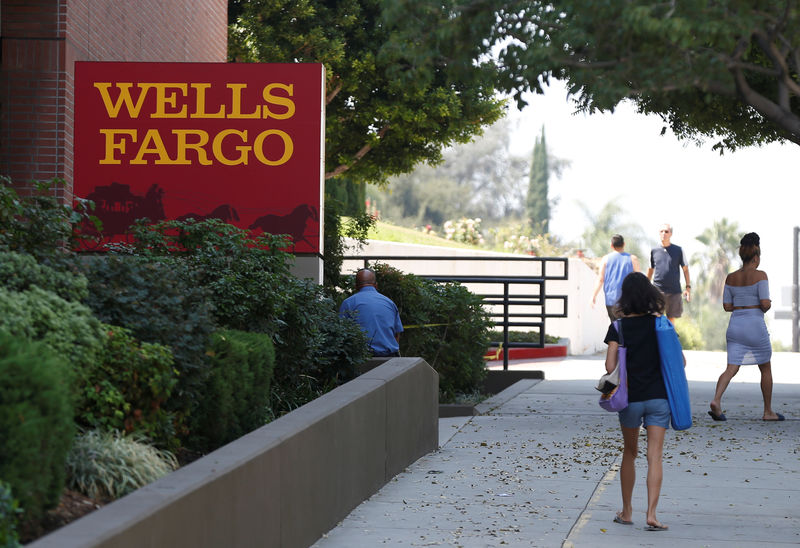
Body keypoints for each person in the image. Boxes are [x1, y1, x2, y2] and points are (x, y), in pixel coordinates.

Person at [604, 272, 680, 531]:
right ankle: (652, 514)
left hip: (630, 399)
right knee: (654, 456)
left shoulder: (618, 327)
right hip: (659, 398)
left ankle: (626, 512)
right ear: (649, 294)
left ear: (625, 296)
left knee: (630, 452)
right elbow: (678, 361)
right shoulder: (661, 324)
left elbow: (610, 365)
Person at [708, 232, 783, 422]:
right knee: (765, 367)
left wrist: (741, 304)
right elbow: (765, 303)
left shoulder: (731, 278)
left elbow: (727, 306)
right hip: (754, 325)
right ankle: (768, 411)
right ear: (756, 256)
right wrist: (765, 304)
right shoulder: (761, 275)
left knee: (731, 368)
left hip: (735, 326)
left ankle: (716, 401)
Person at [338, 268, 404, 357]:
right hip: (389, 358)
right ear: (376, 285)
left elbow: (341, 334)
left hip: (360, 359)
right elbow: (397, 334)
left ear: (356, 286)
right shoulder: (389, 303)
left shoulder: (348, 303)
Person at [647, 223, 691, 323]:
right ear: (659, 233)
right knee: (656, 318)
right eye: (661, 231)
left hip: (674, 291)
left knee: (671, 320)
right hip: (657, 290)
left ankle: (669, 338)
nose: (664, 234)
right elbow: (650, 269)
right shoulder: (654, 251)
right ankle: (655, 339)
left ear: (671, 234)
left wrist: (688, 288)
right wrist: (645, 286)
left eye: (666, 231)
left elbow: (685, 270)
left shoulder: (678, 250)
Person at [592, 234, 640, 321]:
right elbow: (639, 280)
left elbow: (600, 279)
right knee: (628, 327)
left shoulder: (605, 259)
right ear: (624, 244)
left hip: (611, 300)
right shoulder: (633, 259)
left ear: (611, 245)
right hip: (629, 300)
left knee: (615, 327)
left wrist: (594, 296)